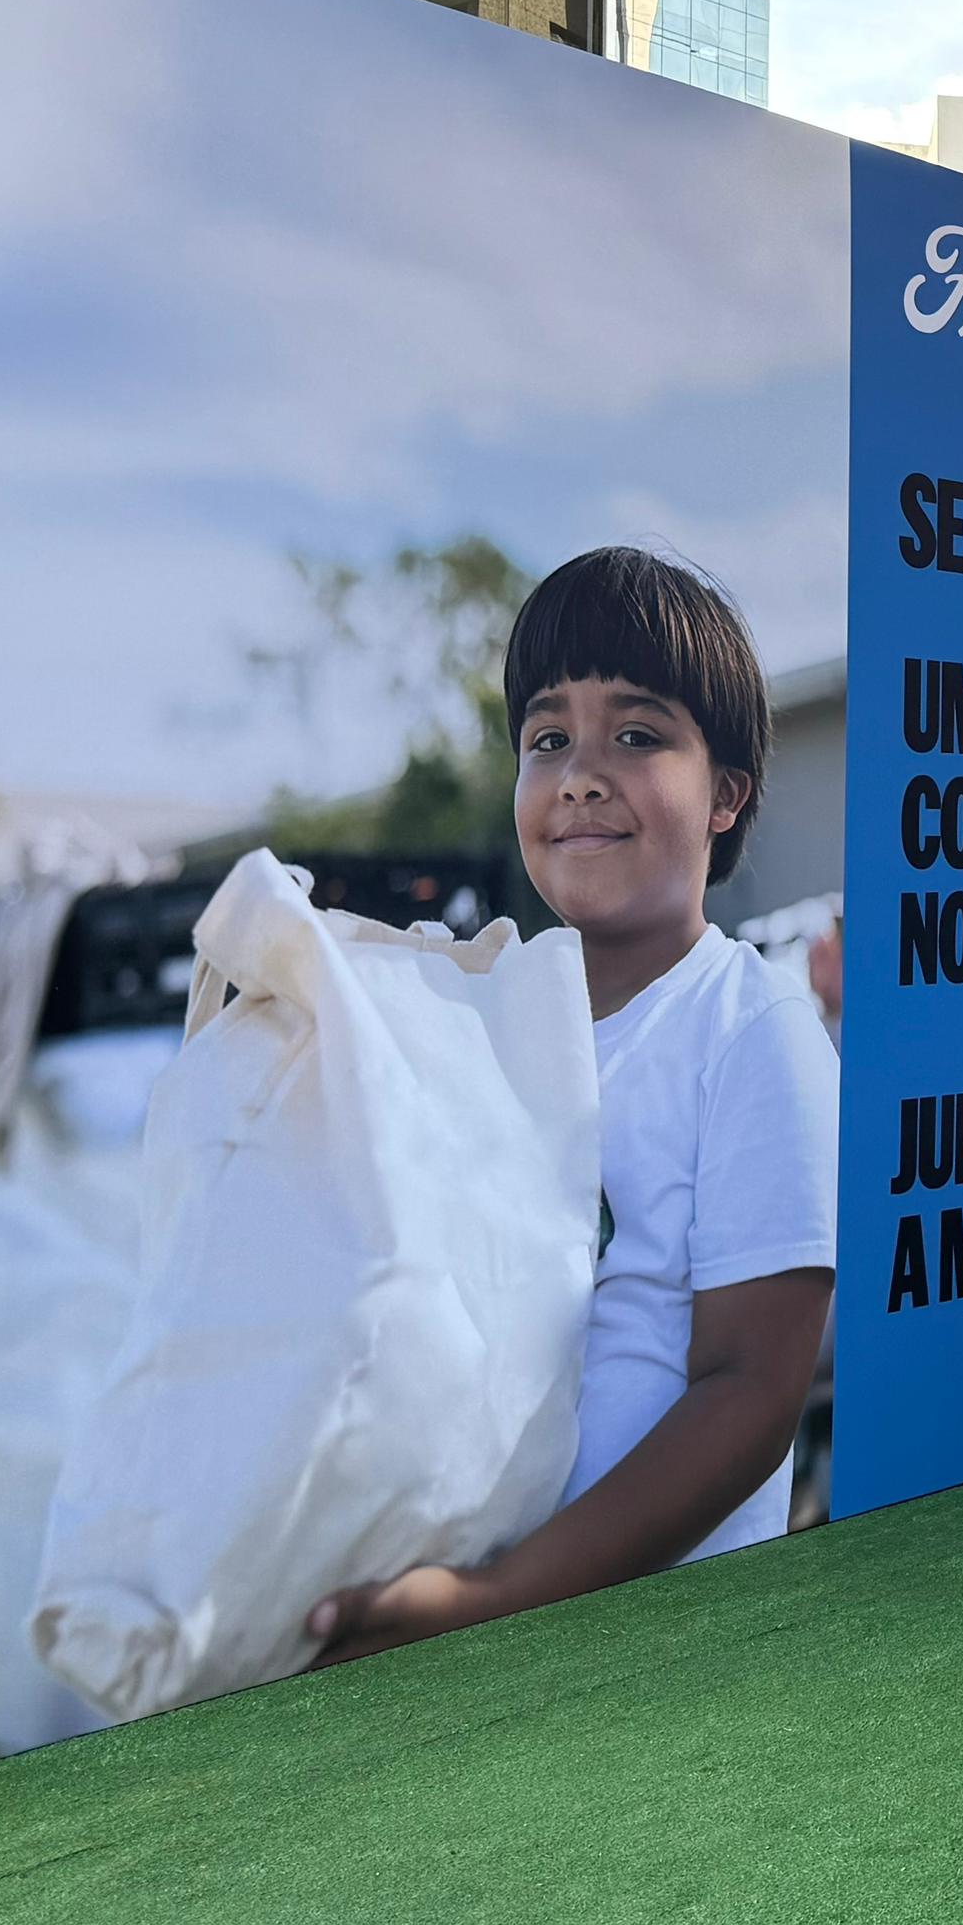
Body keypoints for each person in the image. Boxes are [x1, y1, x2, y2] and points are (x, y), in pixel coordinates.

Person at [306, 549, 836, 1660]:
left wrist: (495, 1598)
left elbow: (749, 1391)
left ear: (728, 790)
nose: (581, 774)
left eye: (638, 735)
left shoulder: (748, 1028)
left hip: (658, 1652)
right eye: (548, 739)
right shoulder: (474, 1021)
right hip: (459, 1616)